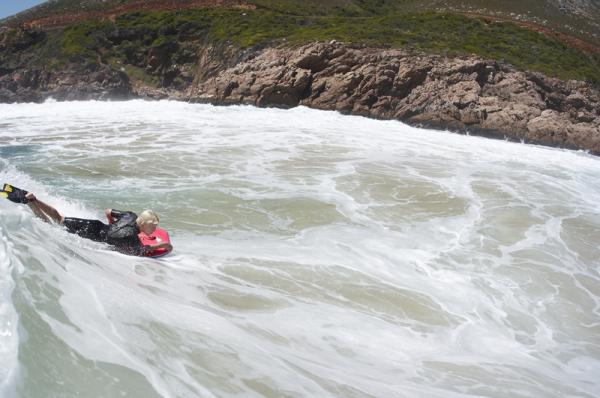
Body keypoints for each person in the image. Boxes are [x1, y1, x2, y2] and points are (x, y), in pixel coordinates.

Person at [2, 183, 172, 257]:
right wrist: (164, 245)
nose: (154, 230)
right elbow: (141, 251)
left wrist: (112, 224)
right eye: (152, 227)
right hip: (89, 233)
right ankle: (31, 203)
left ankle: (34, 198)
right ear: (143, 224)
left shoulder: (130, 215)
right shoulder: (132, 238)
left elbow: (108, 211)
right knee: (51, 225)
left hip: (95, 225)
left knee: (59, 218)